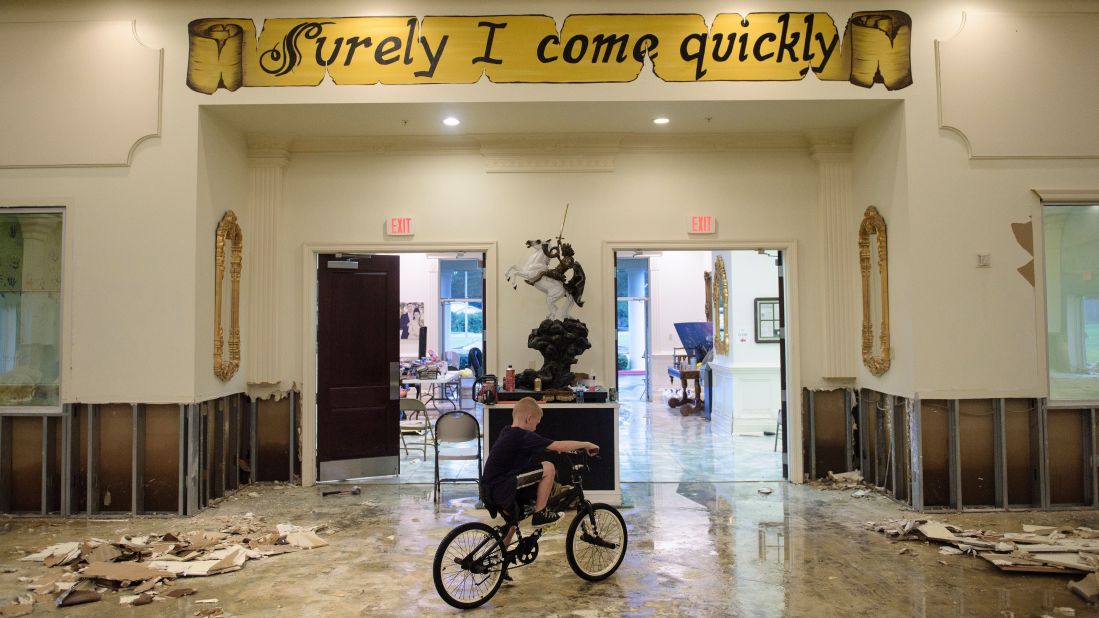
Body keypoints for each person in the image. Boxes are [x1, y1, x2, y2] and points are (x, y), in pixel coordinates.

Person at [480, 397, 598, 538]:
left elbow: (534, 448)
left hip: (489, 489)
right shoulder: (522, 436)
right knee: (548, 468)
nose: (536, 428)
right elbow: (559, 445)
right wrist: (586, 444)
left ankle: (500, 555)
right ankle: (540, 514)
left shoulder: (508, 432)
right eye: (536, 423)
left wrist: (551, 448)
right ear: (529, 418)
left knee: (513, 522)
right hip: (502, 487)